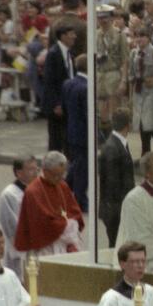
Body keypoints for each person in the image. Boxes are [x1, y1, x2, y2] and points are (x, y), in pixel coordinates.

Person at [14, 151, 84, 257]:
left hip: (65, 245)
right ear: (45, 171)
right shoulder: (33, 191)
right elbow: (42, 225)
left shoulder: (62, 185)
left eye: (62, 174)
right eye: (56, 175)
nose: (60, 178)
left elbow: (75, 212)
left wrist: (70, 225)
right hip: (46, 247)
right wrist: (66, 225)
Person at [0, 156, 39, 278]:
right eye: (31, 169)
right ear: (19, 173)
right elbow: (11, 226)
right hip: (18, 250)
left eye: (37, 169)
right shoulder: (9, 195)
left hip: (36, 248)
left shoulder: (37, 190)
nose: (36, 173)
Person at [98, 107, 135, 247]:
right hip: (115, 210)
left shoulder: (118, 144)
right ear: (128, 125)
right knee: (116, 245)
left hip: (116, 207)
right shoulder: (113, 148)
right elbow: (113, 183)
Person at [129, 26, 153, 156]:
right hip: (139, 90)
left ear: (149, 38)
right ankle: (145, 152)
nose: (139, 39)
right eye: (137, 36)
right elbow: (131, 74)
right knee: (141, 122)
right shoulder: (134, 53)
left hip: (152, 90)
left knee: (150, 122)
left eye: (142, 36)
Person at [95, 4, 129, 140]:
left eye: (106, 17)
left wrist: (123, 81)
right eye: (100, 17)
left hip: (113, 73)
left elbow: (125, 59)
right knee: (100, 109)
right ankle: (104, 137)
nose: (103, 20)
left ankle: (117, 138)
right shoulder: (95, 34)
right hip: (99, 73)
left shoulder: (119, 35)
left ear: (111, 18)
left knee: (114, 109)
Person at [42, 23, 76, 152]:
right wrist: (56, 104)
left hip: (66, 101)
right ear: (63, 36)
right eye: (71, 34)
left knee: (66, 136)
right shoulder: (54, 53)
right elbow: (50, 81)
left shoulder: (69, 53)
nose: (74, 36)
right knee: (55, 137)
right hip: (56, 104)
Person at [62, 54, 89, 211]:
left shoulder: (68, 84)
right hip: (82, 134)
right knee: (82, 167)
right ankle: (80, 198)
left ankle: (65, 188)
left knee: (76, 164)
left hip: (71, 130)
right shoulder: (85, 87)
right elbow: (87, 114)